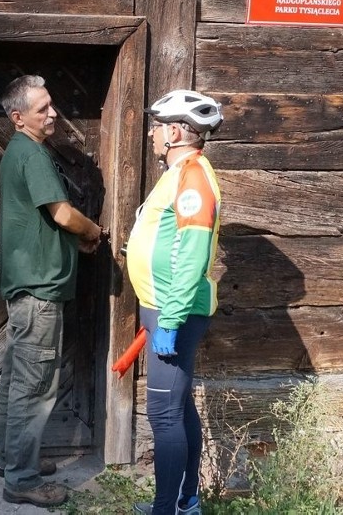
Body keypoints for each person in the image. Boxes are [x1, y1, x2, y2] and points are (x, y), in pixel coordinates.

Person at [0, 74, 102, 508]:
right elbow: (61, 214)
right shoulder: (33, 154)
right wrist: (95, 231)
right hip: (39, 290)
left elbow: (39, 221)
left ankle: (11, 460)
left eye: (51, 104)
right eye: (43, 108)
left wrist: (71, 239)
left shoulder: (17, 151)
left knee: (16, 381)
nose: (53, 113)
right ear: (19, 118)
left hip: (26, 286)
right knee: (34, 388)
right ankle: (21, 480)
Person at [125, 90, 224, 515]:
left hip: (174, 311)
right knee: (178, 407)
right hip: (164, 307)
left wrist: (171, 318)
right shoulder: (178, 173)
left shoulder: (193, 178)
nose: (152, 131)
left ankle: (167, 510)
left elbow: (193, 252)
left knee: (163, 414)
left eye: (158, 125)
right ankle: (186, 502)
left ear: (176, 131)